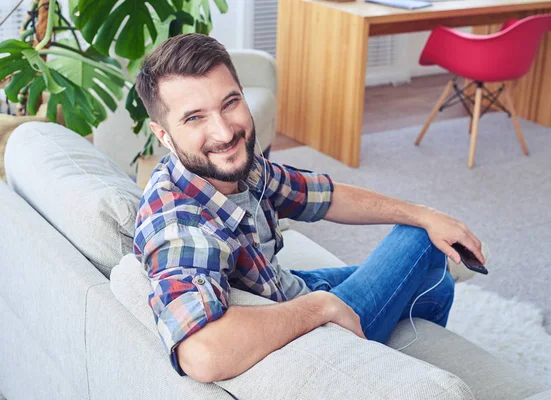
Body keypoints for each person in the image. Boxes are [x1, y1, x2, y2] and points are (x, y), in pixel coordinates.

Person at [133, 33, 486, 384]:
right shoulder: (179, 223)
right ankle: (367, 373)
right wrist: (319, 307)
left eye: (230, 103)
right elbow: (201, 353)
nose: (224, 132)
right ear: (163, 135)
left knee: (438, 283)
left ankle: (390, 369)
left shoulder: (238, 168)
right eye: (194, 118)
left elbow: (321, 195)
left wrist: (425, 212)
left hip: (286, 289)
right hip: (309, 338)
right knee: (419, 242)